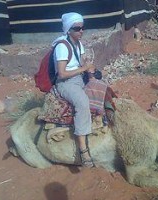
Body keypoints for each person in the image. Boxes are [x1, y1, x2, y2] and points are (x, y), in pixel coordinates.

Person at [52, 12, 95, 168]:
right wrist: (83, 68)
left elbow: (83, 60)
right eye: (77, 28)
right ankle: (83, 150)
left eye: (83, 28)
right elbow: (62, 73)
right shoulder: (62, 47)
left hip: (78, 77)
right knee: (82, 102)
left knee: (102, 88)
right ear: (68, 30)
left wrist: (89, 68)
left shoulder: (79, 43)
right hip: (66, 82)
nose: (81, 31)